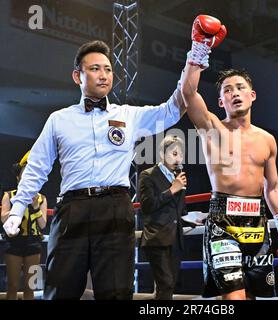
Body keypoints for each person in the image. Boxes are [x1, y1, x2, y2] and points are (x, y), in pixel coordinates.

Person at [2, 40, 186, 300]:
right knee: (59, 291)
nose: (104, 75)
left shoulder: (128, 115)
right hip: (71, 210)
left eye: (108, 69)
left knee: (116, 293)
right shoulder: (59, 119)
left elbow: (173, 110)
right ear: (78, 75)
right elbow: (37, 166)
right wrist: (18, 208)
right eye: (95, 69)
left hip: (115, 207)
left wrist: (194, 60)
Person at [181, 15, 278, 300]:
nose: (234, 93)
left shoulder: (267, 140)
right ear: (221, 102)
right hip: (223, 221)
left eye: (239, 88)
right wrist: (199, 49)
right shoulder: (212, 128)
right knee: (233, 298)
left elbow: (271, 187)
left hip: (258, 222)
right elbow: (188, 93)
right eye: (227, 90)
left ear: (252, 95)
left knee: (251, 297)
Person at [138, 135, 191, 300]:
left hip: (175, 239)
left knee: (169, 286)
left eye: (180, 155)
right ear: (162, 153)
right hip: (157, 238)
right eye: (174, 154)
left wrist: (192, 218)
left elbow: (179, 210)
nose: (178, 158)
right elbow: (147, 206)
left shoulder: (178, 178)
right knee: (165, 283)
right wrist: (172, 190)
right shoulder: (148, 175)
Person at [1, 151, 47, 300]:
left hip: (34, 243)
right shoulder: (9, 195)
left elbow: (43, 224)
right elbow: (3, 218)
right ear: (18, 177)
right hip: (13, 243)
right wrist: (17, 207)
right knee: (12, 285)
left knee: (31, 286)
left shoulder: (41, 198)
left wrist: (34, 206)